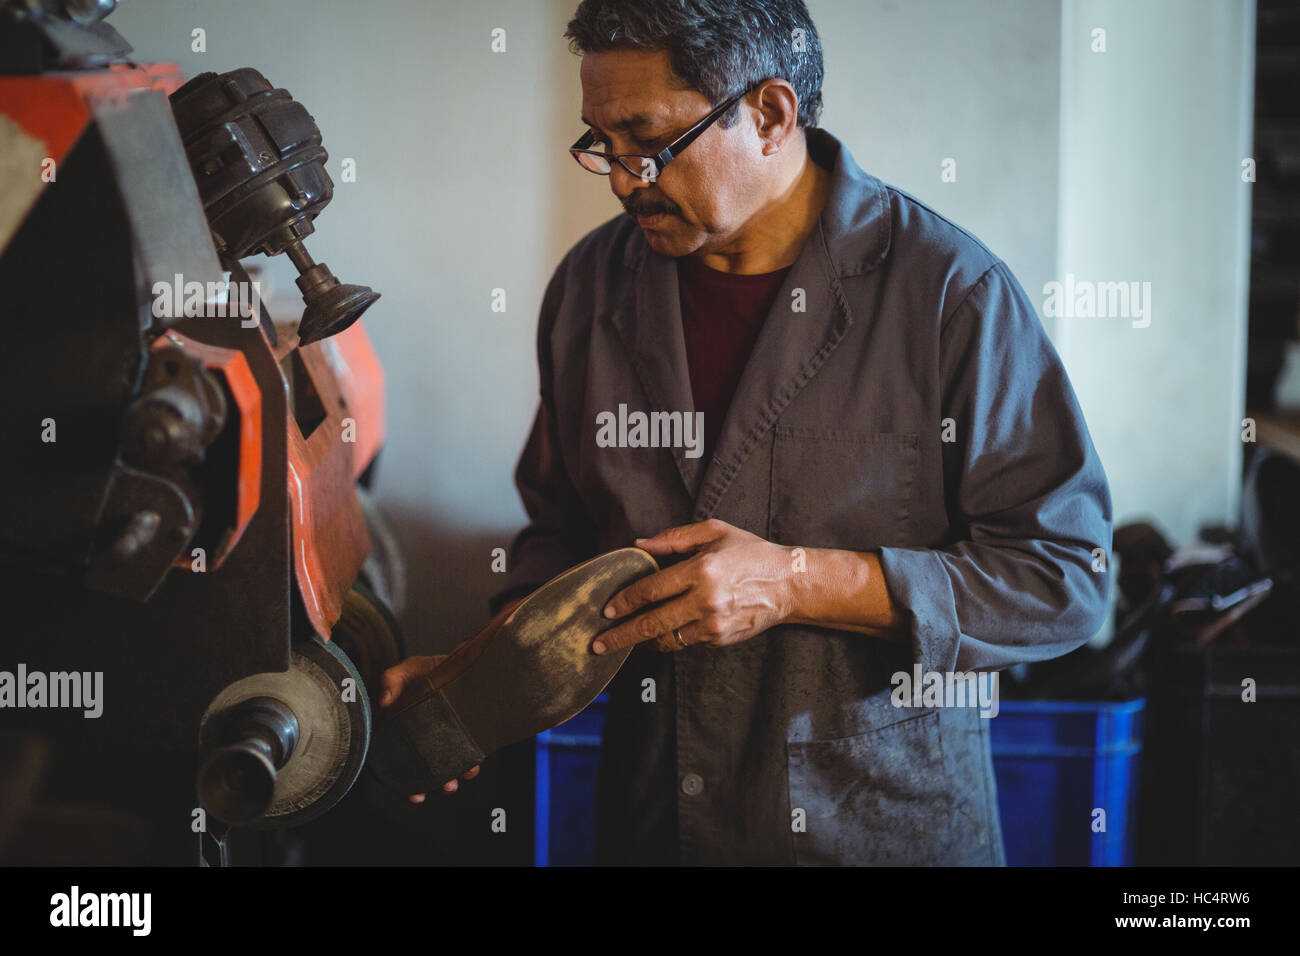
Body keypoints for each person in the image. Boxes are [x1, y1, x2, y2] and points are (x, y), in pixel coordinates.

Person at [383, 0, 1112, 865]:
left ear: (768, 114)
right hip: (656, 819)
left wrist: (797, 581)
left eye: (647, 142)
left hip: (877, 826)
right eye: (600, 144)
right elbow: (564, 539)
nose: (621, 179)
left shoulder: (949, 295)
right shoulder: (591, 288)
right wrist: (476, 682)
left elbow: (1066, 578)